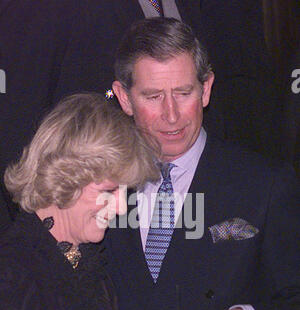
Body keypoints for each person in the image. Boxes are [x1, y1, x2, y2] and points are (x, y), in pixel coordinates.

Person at [0, 92, 286, 310]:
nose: (122, 209)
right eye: (109, 191)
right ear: (65, 177)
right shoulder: (12, 273)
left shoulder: (86, 268)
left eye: (125, 192)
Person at [105, 18, 300, 310]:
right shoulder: (96, 185)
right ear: (123, 97)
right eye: (153, 96)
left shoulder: (264, 184)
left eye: (184, 92)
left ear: (207, 88)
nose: (172, 114)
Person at [0, 0, 281, 232]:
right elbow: (18, 121)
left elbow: (243, 97)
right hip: (96, 220)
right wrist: (43, 232)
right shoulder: (40, 8)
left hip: (202, 206)